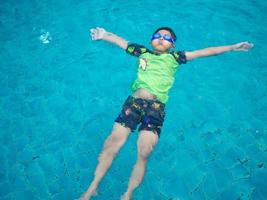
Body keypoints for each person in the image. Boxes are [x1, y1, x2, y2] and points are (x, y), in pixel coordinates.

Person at [79, 27, 253, 200]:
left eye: (167, 37)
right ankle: (92, 188)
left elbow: (204, 52)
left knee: (144, 152)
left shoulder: (175, 58)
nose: (161, 38)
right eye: (158, 36)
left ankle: (128, 194)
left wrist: (232, 47)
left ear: (172, 45)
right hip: (133, 104)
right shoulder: (141, 52)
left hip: (155, 109)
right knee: (113, 143)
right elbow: (121, 42)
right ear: (150, 41)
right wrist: (104, 35)